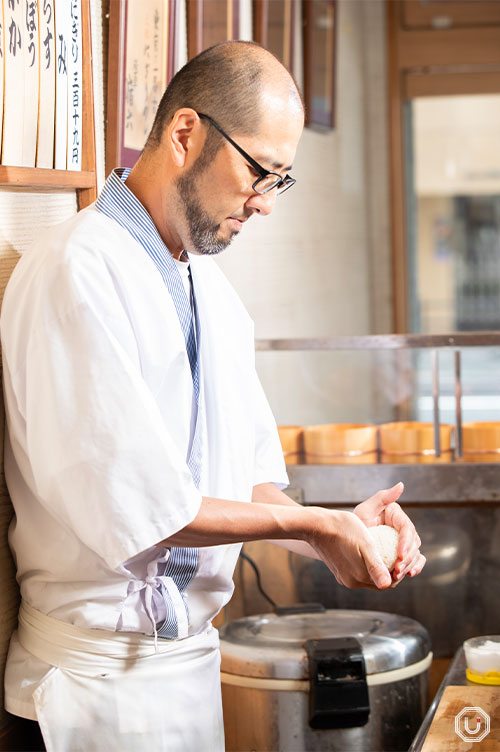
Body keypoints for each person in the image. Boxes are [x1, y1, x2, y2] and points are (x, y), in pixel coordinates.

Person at [1, 41, 425, 752]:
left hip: (187, 674)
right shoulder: (75, 272)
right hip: (91, 691)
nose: (263, 202)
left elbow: (252, 479)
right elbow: (146, 511)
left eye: (280, 180)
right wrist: (315, 529)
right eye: (259, 171)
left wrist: (338, 534)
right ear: (185, 133)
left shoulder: (215, 293)